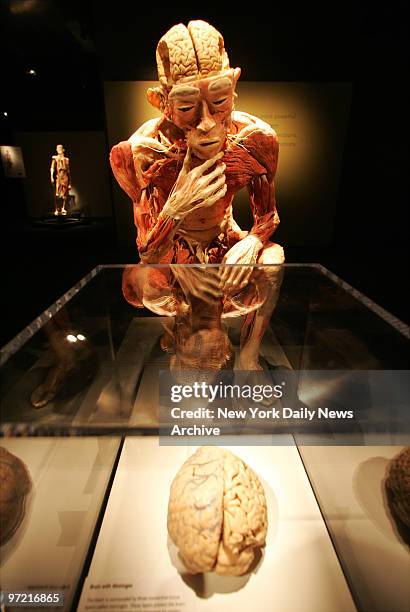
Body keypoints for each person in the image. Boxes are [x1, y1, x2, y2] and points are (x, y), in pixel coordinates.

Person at [110, 20, 284, 370]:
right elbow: (148, 250)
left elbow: (268, 216)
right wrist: (175, 207)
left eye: (219, 101)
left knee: (273, 260)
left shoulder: (256, 139)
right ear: (162, 103)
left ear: (233, 85)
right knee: (144, 286)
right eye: (187, 107)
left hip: (226, 242)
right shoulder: (138, 154)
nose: (206, 123)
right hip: (172, 254)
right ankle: (180, 329)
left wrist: (251, 242)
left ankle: (247, 358)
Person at [50, 144, 70, 215]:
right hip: (58, 177)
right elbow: (52, 168)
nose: (59, 149)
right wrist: (51, 176)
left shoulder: (66, 159)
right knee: (57, 194)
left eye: (60, 148)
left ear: (63, 149)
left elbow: (68, 171)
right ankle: (56, 208)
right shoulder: (55, 158)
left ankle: (63, 208)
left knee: (65, 194)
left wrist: (70, 182)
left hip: (65, 178)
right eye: (58, 148)